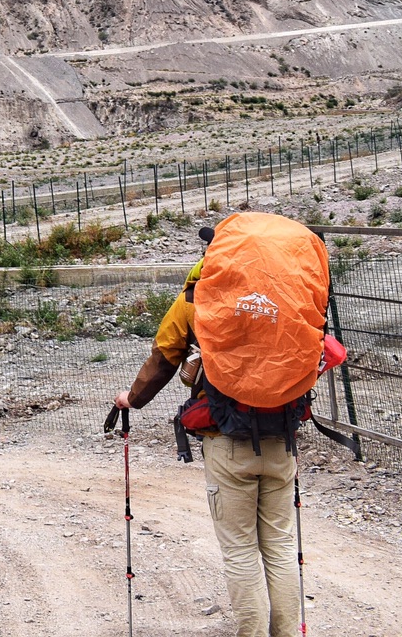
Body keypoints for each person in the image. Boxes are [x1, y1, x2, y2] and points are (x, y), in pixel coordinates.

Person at [113, 229, 301, 637]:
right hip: (282, 438)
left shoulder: (195, 300)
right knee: (281, 546)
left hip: (227, 441)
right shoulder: (288, 296)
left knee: (239, 549)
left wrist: (133, 398)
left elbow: (165, 360)